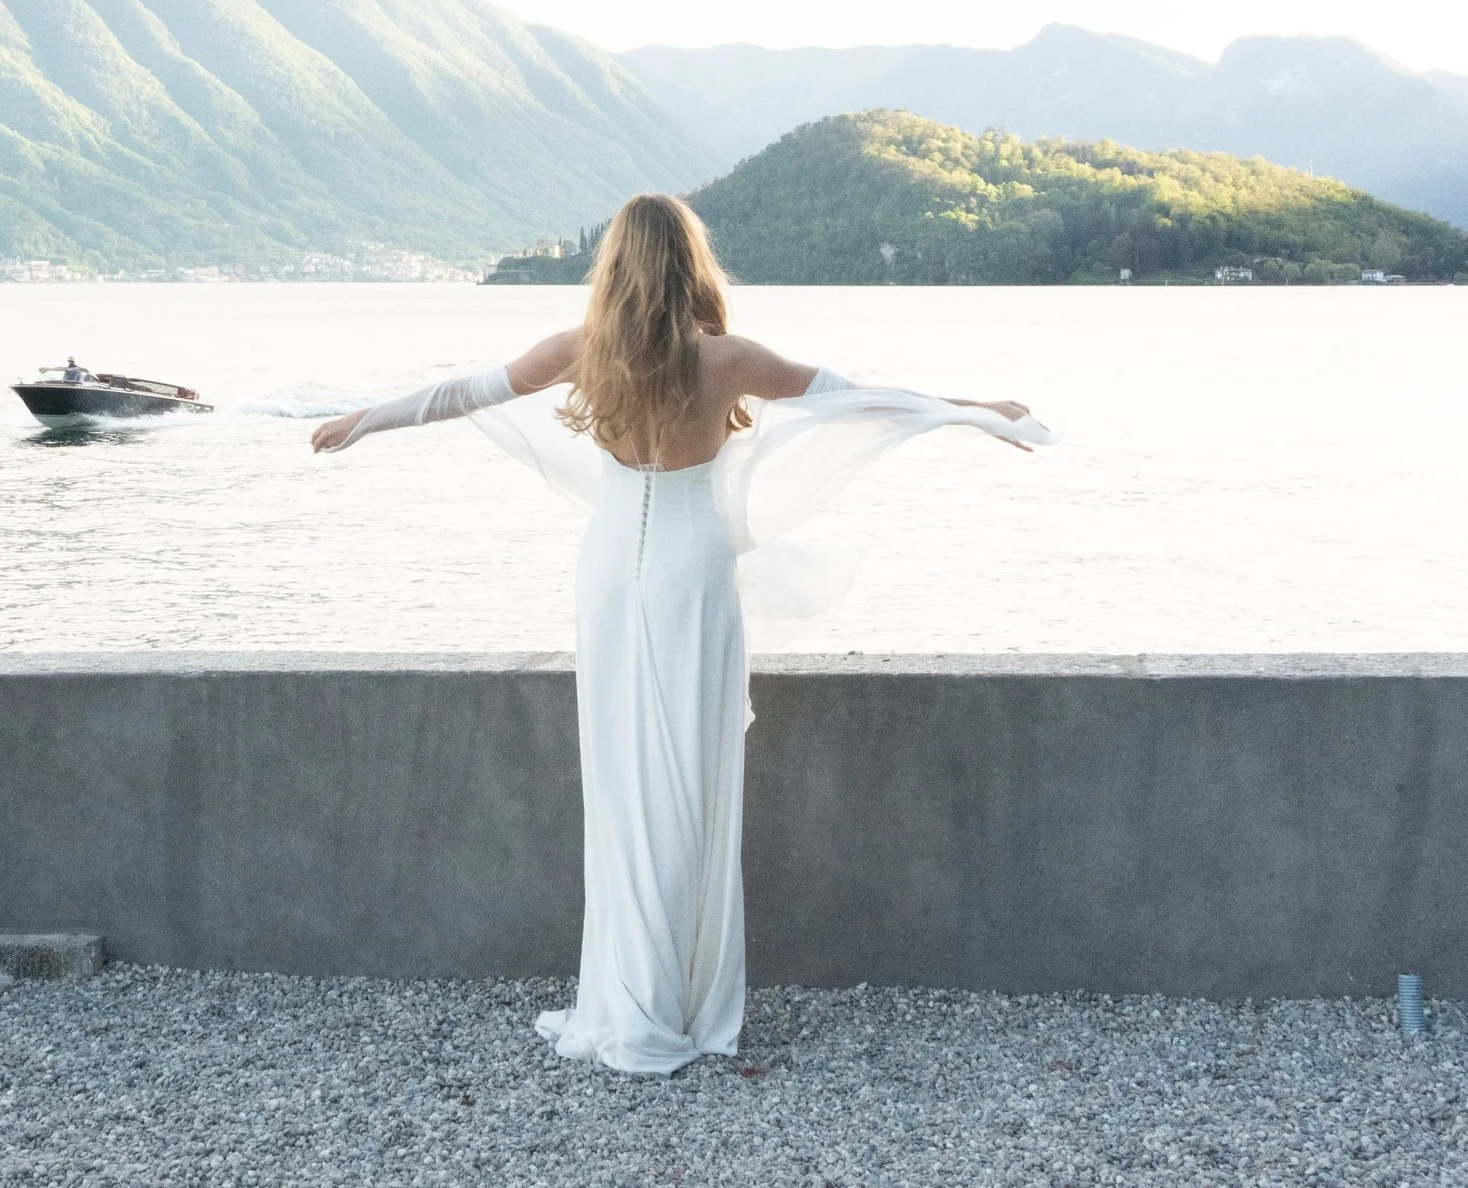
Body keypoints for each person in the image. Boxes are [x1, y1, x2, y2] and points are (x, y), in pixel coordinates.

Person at [310, 192, 1043, 1074]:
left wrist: (363, 419)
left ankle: (629, 998)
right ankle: (676, 1000)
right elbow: (860, 400)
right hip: (692, 572)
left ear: (614, 265)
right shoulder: (727, 359)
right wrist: (975, 410)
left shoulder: (583, 352)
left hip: (612, 568)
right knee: (686, 789)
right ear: (691, 265)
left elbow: (460, 392)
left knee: (623, 788)